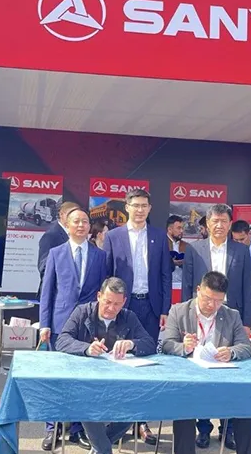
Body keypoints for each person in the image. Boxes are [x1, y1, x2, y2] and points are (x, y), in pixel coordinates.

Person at [55, 277, 157, 454]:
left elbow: (150, 343)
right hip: (86, 383)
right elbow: (62, 340)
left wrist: (131, 344)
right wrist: (86, 348)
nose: (111, 308)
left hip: (119, 384)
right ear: (99, 296)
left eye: (117, 304)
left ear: (124, 302)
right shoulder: (82, 312)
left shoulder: (128, 317)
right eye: (107, 302)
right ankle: (102, 449)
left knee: (135, 407)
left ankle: (100, 449)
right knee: (86, 404)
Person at [102, 188, 171, 445]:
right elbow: (107, 274)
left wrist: (165, 309)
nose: (140, 210)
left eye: (144, 205)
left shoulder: (159, 236)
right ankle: (116, 420)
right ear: (127, 208)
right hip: (123, 307)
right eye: (136, 205)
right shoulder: (113, 236)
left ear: (150, 208)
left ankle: (142, 422)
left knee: (146, 362)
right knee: (118, 360)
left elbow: (165, 274)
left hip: (150, 306)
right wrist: (108, 308)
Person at [181, 205, 251, 449]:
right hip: (201, 316)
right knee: (202, 373)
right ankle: (203, 428)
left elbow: (247, 286)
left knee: (229, 373)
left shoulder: (241, 251)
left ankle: (227, 428)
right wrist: (186, 317)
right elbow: (188, 284)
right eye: (215, 221)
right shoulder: (194, 249)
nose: (219, 225)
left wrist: (247, 323)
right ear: (207, 223)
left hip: (231, 319)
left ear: (230, 223)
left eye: (224, 221)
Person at [161, 271, 251, 454]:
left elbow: (246, 347)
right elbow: (166, 345)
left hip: (223, 380)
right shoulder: (179, 311)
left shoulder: (231, 315)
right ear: (198, 290)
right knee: (183, 410)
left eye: (218, 301)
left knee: (246, 409)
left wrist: (231, 352)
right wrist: (184, 347)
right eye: (207, 299)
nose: (212, 305)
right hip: (189, 381)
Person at [39, 208, 107, 451]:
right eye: (76, 221)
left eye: (85, 222)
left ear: (89, 226)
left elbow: (102, 294)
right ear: (67, 226)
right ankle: (52, 428)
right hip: (59, 325)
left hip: (87, 327)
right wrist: (44, 324)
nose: (81, 225)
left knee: (83, 380)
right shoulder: (56, 253)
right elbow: (47, 291)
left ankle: (78, 429)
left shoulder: (100, 256)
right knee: (56, 377)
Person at [37, 201, 81, 288]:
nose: (74, 217)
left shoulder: (77, 235)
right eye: (71, 214)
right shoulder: (51, 236)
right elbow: (44, 267)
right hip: (56, 290)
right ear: (61, 214)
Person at [166, 215, 188, 294]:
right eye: (179, 228)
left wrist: (184, 262)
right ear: (170, 229)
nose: (181, 231)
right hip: (165, 285)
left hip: (182, 286)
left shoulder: (187, 246)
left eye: (182, 228)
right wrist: (171, 263)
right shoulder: (161, 244)